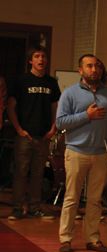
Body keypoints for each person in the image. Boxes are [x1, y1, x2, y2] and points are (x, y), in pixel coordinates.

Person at [56, 54, 107, 252]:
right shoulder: (70, 93)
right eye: (89, 66)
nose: (94, 70)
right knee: (72, 198)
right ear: (81, 70)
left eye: (97, 66)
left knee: (95, 199)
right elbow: (60, 122)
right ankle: (65, 239)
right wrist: (87, 115)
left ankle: (93, 239)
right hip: (76, 151)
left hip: (101, 154)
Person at [7, 45, 60, 220]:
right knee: (21, 172)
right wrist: (19, 129)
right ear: (31, 60)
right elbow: (11, 107)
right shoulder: (21, 81)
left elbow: (55, 107)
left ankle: (34, 207)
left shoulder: (51, 82)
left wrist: (53, 127)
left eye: (43, 56)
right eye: (37, 56)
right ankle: (17, 208)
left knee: (38, 173)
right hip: (25, 135)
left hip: (43, 135)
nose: (41, 60)